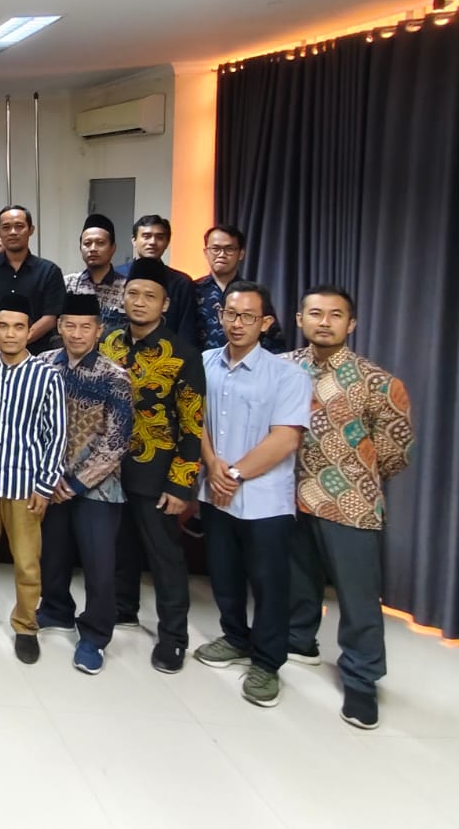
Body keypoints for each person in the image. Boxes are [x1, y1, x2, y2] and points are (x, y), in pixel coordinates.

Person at [288, 285, 414, 730]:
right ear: (300, 319)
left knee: (358, 600)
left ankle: (361, 680)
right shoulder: (282, 368)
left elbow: (396, 452)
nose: (324, 322)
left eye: (335, 315)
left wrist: (355, 476)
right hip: (289, 497)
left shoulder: (378, 381)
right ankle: (298, 643)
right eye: (315, 313)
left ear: (351, 323)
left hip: (352, 502)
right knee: (296, 581)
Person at [193, 281, 312, 708]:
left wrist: (234, 474)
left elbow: (286, 439)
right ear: (220, 316)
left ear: (265, 323)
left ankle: (266, 662)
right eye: (231, 314)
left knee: (268, 583)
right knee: (223, 574)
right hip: (215, 490)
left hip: (264, 500)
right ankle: (234, 637)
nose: (237, 323)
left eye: (248, 316)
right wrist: (212, 465)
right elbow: (195, 420)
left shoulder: (287, 374)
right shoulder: (204, 362)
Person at [100, 256, 206, 674]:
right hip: (109, 470)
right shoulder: (109, 344)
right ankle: (123, 608)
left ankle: (173, 637)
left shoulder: (183, 355)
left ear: (165, 304)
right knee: (119, 545)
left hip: (156, 471)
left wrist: (181, 485)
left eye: (150, 296)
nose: (140, 302)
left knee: (164, 556)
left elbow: (193, 426)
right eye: (133, 294)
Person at [0, 294, 67, 664]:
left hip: (25, 484)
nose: (10, 334)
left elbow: (56, 434)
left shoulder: (46, 375)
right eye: (3, 326)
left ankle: (25, 624)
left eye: (18, 327)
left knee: (26, 561)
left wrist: (45, 484)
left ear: (29, 331)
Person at [36, 292, 134, 674]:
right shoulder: (43, 365)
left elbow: (117, 441)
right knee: (52, 554)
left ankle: (94, 635)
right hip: (49, 480)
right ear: (60, 327)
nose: (77, 334)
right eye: (70, 325)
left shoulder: (115, 376)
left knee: (99, 564)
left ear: (99, 330)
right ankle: (55, 609)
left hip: (98, 488)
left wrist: (76, 483)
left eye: (85, 327)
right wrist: (48, 477)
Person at [0, 205, 65, 354]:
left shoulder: (49, 271)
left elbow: (51, 317)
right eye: (6, 227)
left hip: (35, 356)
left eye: (19, 226)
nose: (13, 232)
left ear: (31, 230)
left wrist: (14, 343)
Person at [193, 225, 287, 353]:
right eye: (215, 249)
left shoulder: (254, 294)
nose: (222, 254)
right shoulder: (191, 290)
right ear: (206, 252)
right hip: (200, 362)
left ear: (241, 253)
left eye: (229, 249)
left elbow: (273, 339)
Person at [115, 215, 194, 340]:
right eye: (146, 236)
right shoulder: (116, 277)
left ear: (167, 242)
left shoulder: (181, 283)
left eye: (160, 237)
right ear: (134, 240)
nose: (152, 242)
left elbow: (186, 333)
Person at [64, 214, 128, 336]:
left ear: (113, 248)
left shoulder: (127, 287)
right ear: (80, 248)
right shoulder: (67, 284)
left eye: (100, 243)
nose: (93, 248)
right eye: (87, 243)